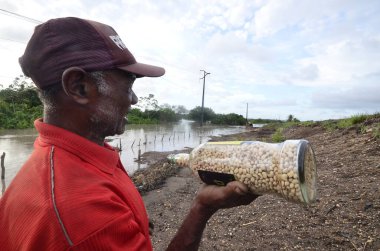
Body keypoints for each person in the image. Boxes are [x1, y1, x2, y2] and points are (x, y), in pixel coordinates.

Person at [0, 17, 258, 251]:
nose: (134, 99)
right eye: (129, 84)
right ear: (79, 87)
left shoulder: (72, 155)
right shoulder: (83, 214)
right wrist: (202, 208)